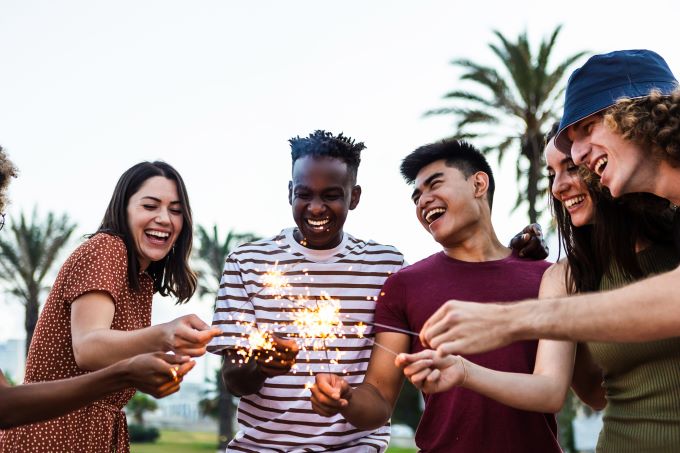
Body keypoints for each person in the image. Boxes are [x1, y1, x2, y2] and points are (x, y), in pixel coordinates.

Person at [418, 50, 680, 451]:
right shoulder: (568, 274)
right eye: (554, 171)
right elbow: (585, 392)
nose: (574, 164)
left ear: (637, 114)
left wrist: (515, 319)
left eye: (588, 129)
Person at [310, 139, 561, 452]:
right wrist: (346, 399)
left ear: (479, 183)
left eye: (435, 184)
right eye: (417, 196)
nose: (423, 201)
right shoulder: (404, 285)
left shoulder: (549, 278)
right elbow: (378, 399)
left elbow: (583, 385)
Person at [0, 160, 221, 453]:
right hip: (55, 432)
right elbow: (88, 348)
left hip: (96, 434)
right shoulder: (107, 248)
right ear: (124, 209)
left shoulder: (141, 282)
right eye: (150, 206)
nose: (165, 218)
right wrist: (164, 335)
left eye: (176, 210)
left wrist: (164, 361)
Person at [207, 130, 405, 452]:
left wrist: (345, 398)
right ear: (289, 193)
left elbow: (381, 402)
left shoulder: (386, 266)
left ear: (353, 197)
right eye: (304, 194)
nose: (315, 208)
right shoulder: (248, 262)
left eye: (330, 195)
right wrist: (260, 364)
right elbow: (234, 380)